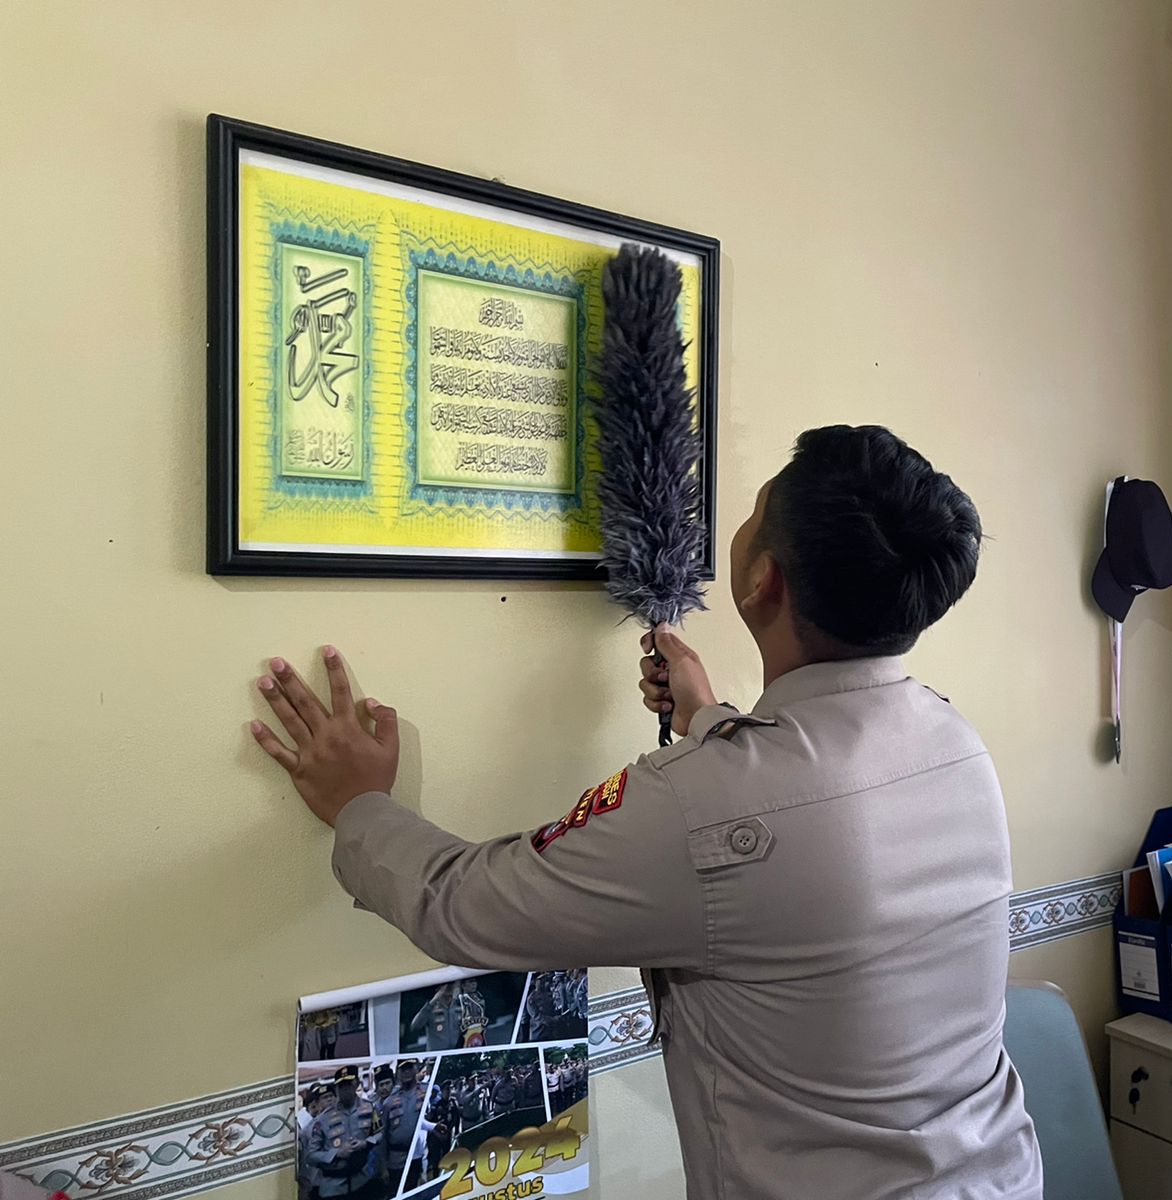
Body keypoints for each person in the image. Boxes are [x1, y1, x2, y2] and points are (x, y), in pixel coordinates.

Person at [249, 425, 1043, 1199]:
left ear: (763, 580)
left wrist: (358, 803)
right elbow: (800, 813)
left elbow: (467, 906)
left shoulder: (703, 802)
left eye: (754, 510)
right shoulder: (954, 744)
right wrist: (710, 721)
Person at [306, 1067, 385, 1200]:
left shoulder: (369, 1108)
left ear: (357, 1083)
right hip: (334, 1187)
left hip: (362, 1181)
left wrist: (365, 1143)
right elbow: (311, 1156)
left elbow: (380, 1133)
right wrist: (337, 1153)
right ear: (336, 1089)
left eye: (349, 1084)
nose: (345, 1090)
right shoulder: (323, 1119)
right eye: (341, 1086)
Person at [379, 1060, 428, 1181]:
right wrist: (383, 1167)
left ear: (416, 1069)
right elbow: (382, 1137)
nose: (407, 1072)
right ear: (398, 1073)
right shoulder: (389, 1102)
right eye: (403, 1069)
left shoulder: (426, 1092)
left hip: (420, 1156)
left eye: (409, 1068)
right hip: (396, 1160)